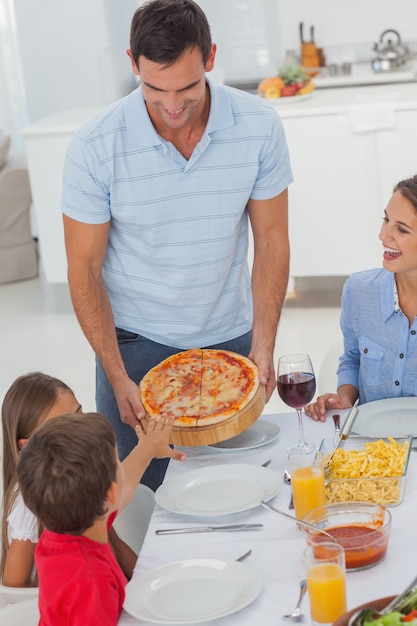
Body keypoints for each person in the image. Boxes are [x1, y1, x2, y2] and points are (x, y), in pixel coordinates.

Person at [61, 0, 293, 489]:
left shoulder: (258, 126)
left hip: (232, 340)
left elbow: (271, 240)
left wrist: (264, 342)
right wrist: (115, 372)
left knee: (241, 490)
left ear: (210, 57)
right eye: (154, 88)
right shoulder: (94, 146)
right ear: (132, 63)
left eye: (186, 87)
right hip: (135, 351)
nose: (171, 105)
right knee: (141, 508)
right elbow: (83, 270)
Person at [16, 411, 184, 625]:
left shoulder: (66, 526)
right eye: (117, 461)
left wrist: (147, 448)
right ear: (109, 495)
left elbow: (122, 491)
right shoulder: (92, 583)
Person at [305, 174, 417, 421]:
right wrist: (344, 397)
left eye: (401, 229)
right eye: (386, 219)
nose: (383, 235)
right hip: (371, 446)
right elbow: (353, 359)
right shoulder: (359, 290)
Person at [1, 372, 82, 587]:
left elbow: (113, 542)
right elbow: (13, 589)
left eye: (79, 414)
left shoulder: (78, 473)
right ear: (27, 445)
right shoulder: (30, 504)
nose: (82, 430)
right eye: (64, 427)